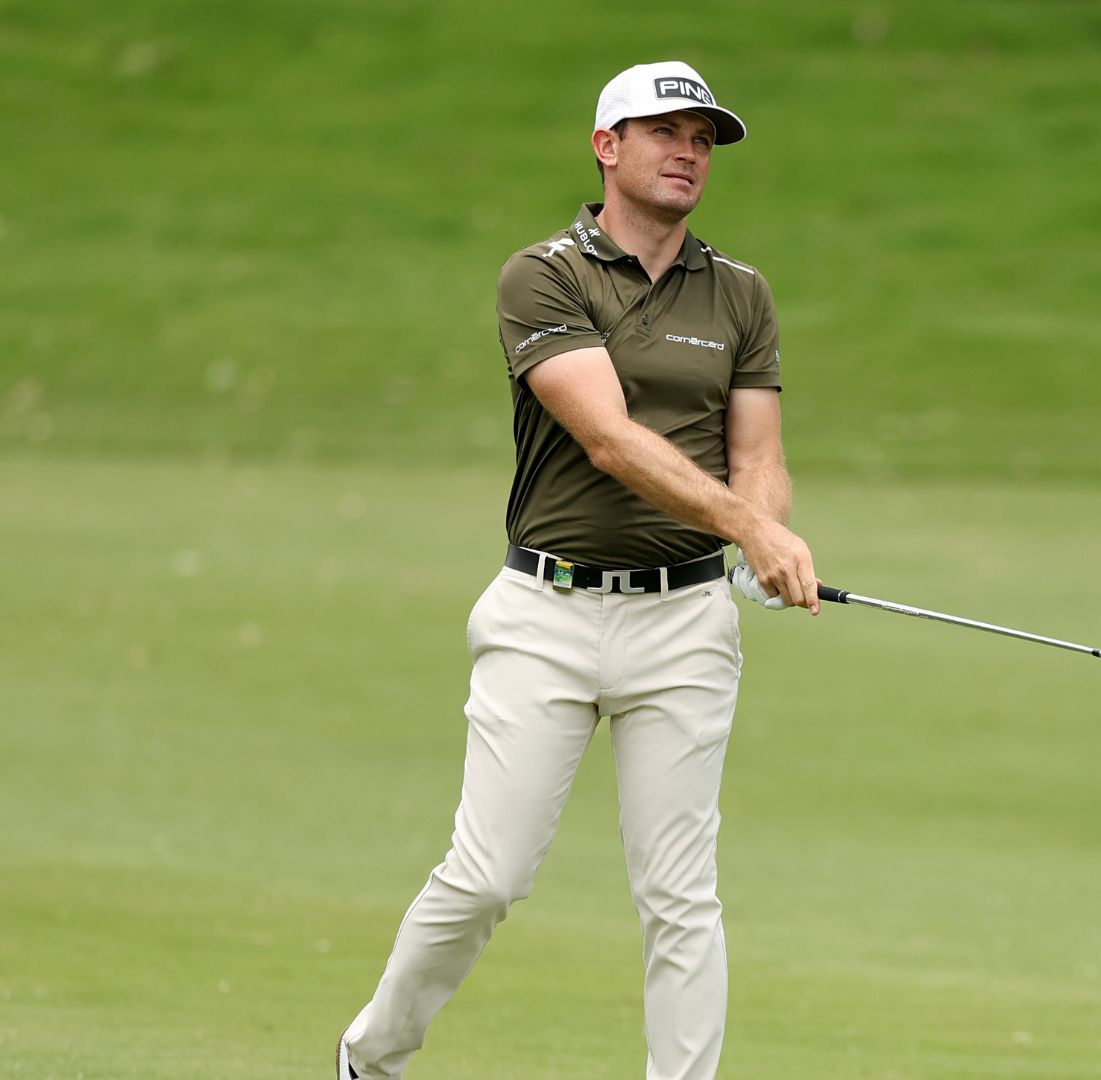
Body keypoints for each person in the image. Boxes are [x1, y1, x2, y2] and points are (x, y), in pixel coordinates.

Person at [337, 60, 817, 1080]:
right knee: (486, 876)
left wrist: (761, 539)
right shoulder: (543, 274)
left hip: (685, 625)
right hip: (545, 613)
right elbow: (607, 436)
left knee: (680, 896)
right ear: (608, 147)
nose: (690, 151)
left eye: (704, 137)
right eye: (666, 132)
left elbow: (761, 456)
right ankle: (370, 1060)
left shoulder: (740, 294)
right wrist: (752, 527)